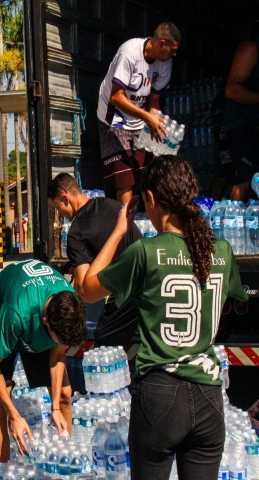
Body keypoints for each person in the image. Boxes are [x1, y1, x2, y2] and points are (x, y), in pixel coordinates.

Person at [81, 156, 248, 479]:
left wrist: (118, 232)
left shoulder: (146, 251)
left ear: (152, 199)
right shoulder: (222, 250)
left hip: (160, 395)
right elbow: (232, 299)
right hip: (209, 396)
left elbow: (88, 290)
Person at [0, 259, 87, 462]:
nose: (65, 347)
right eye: (60, 341)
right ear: (46, 323)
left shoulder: (68, 304)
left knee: (64, 394)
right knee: (2, 402)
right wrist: (15, 415)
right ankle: (4, 471)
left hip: (34, 317)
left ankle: (66, 465)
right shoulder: (16, 314)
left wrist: (54, 408)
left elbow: (57, 354)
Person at [47, 173, 141, 347]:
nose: (61, 215)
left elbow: (84, 290)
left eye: (58, 209)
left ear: (65, 198)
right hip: (149, 290)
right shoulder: (112, 205)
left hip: (123, 299)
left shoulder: (76, 232)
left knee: (104, 350)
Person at [97, 22, 181, 204]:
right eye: (172, 50)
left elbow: (155, 101)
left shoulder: (165, 64)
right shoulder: (130, 53)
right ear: (162, 43)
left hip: (138, 119)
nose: (174, 54)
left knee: (146, 175)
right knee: (124, 179)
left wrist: (154, 122)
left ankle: (145, 223)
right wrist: (147, 117)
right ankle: (126, 227)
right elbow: (116, 97)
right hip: (114, 118)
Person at [223, 37, 259, 201]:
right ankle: (232, 224)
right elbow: (230, 90)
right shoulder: (251, 49)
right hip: (242, 124)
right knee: (244, 177)